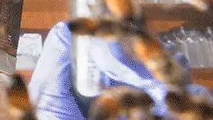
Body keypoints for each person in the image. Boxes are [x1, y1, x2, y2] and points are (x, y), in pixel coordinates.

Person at [30, 21, 212, 119]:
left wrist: (96, 35)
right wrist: (150, 79)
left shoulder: (51, 109)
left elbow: (64, 34)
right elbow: (196, 101)